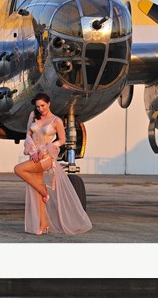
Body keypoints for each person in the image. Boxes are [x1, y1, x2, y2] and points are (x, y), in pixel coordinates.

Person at [14, 93, 92, 236]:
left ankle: (44, 190)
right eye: (38, 106)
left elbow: (61, 140)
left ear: (49, 104)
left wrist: (44, 150)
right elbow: (28, 135)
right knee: (36, 192)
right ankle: (43, 224)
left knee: (18, 169)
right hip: (34, 156)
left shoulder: (56, 121)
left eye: (43, 105)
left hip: (46, 157)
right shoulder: (33, 115)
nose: (40, 108)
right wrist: (32, 152)